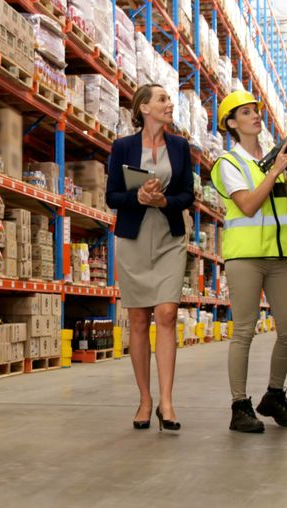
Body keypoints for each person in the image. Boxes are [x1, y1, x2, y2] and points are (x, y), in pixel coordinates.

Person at [210, 91, 287, 433]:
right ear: (231, 123)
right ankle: (239, 406)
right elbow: (248, 206)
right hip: (245, 258)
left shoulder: (271, 163)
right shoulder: (229, 164)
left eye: (256, 111)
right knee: (243, 331)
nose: (255, 116)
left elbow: (277, 213)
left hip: (278, 257)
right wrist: (276, 171)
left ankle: (274, 395)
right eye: (246, 112)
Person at [106, 84, 195, 432]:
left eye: (168, 100)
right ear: (144, 107)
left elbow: (187, 193)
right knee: (139, 319)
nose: (169, 104)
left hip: (169, 236)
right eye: (162, 99)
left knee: (167, 313)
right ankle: (145, 400)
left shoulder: (180, 147)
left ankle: (167, 402)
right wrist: (139, 197)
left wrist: (164, 202)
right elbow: (113, 196)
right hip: (134, 237)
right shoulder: (123, 146)